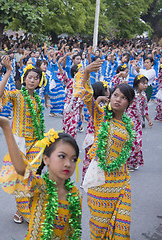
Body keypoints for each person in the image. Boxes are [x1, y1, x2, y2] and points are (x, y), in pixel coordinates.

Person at [0, 105, 82, 239]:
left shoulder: (76, 195)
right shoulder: (40, 187)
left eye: (73, 159)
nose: (67, 163)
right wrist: (6, 127)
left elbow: (74, 232)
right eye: (61, 156)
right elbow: (21, 169)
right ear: (46, 159)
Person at [78, 59, 135, 239]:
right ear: (110, 96)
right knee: (99, 227)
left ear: (129, 103)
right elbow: (87, 96)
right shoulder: (101, 115)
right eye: (116, 95)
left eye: (124, 97)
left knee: (122, 225)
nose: (118, 99)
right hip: (100, 181)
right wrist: (86, 72)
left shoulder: (129, 125)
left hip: (121, 181)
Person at [0, 63, 46, 223]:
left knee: (33, 176)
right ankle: (20, 209)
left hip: (36, 143)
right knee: (21, 177)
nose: (32, 80)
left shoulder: (37, 100)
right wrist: (9, 70)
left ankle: (24, 208)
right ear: (24, 79)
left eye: (36, 78)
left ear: (39, 81)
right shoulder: (17, 94)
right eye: (30, 77)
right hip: (20, 143)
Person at [81, 81, 110, 182]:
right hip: (94, 137)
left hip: (91, 136)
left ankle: (87, 180)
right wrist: (98, 100)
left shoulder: (106, 104)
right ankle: (88, 180)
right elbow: (92, 111)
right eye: (107, 89)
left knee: (89, 159)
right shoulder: (97, 104)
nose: (108, 91)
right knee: (93, 159)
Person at [126, 75, 153, 171]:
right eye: (143, 83)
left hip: (138, 123)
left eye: (146, 83)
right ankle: (128, 163)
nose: (145, 85)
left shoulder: (144, 95)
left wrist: (149, 120)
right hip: (129, 122)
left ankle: (134, 162)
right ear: (137, 84)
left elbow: (144, 109)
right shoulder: (131, 94)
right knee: (130, 143)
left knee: (137, 143)